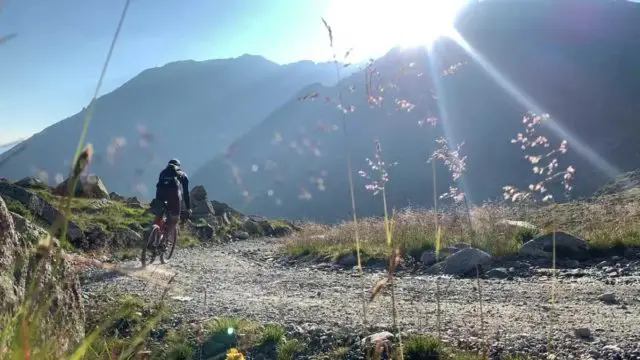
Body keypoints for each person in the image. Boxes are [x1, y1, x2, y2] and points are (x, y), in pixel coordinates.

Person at [151, 159, 192, 247]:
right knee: (175, 217)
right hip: (173, 194)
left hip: (160, 193)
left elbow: (159, 186)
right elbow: (186, 193)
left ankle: (152, 234)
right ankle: (166, 238)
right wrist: (188, 208)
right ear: (178, 166)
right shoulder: (182, 174)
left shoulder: (163, 172)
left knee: (159, 215)